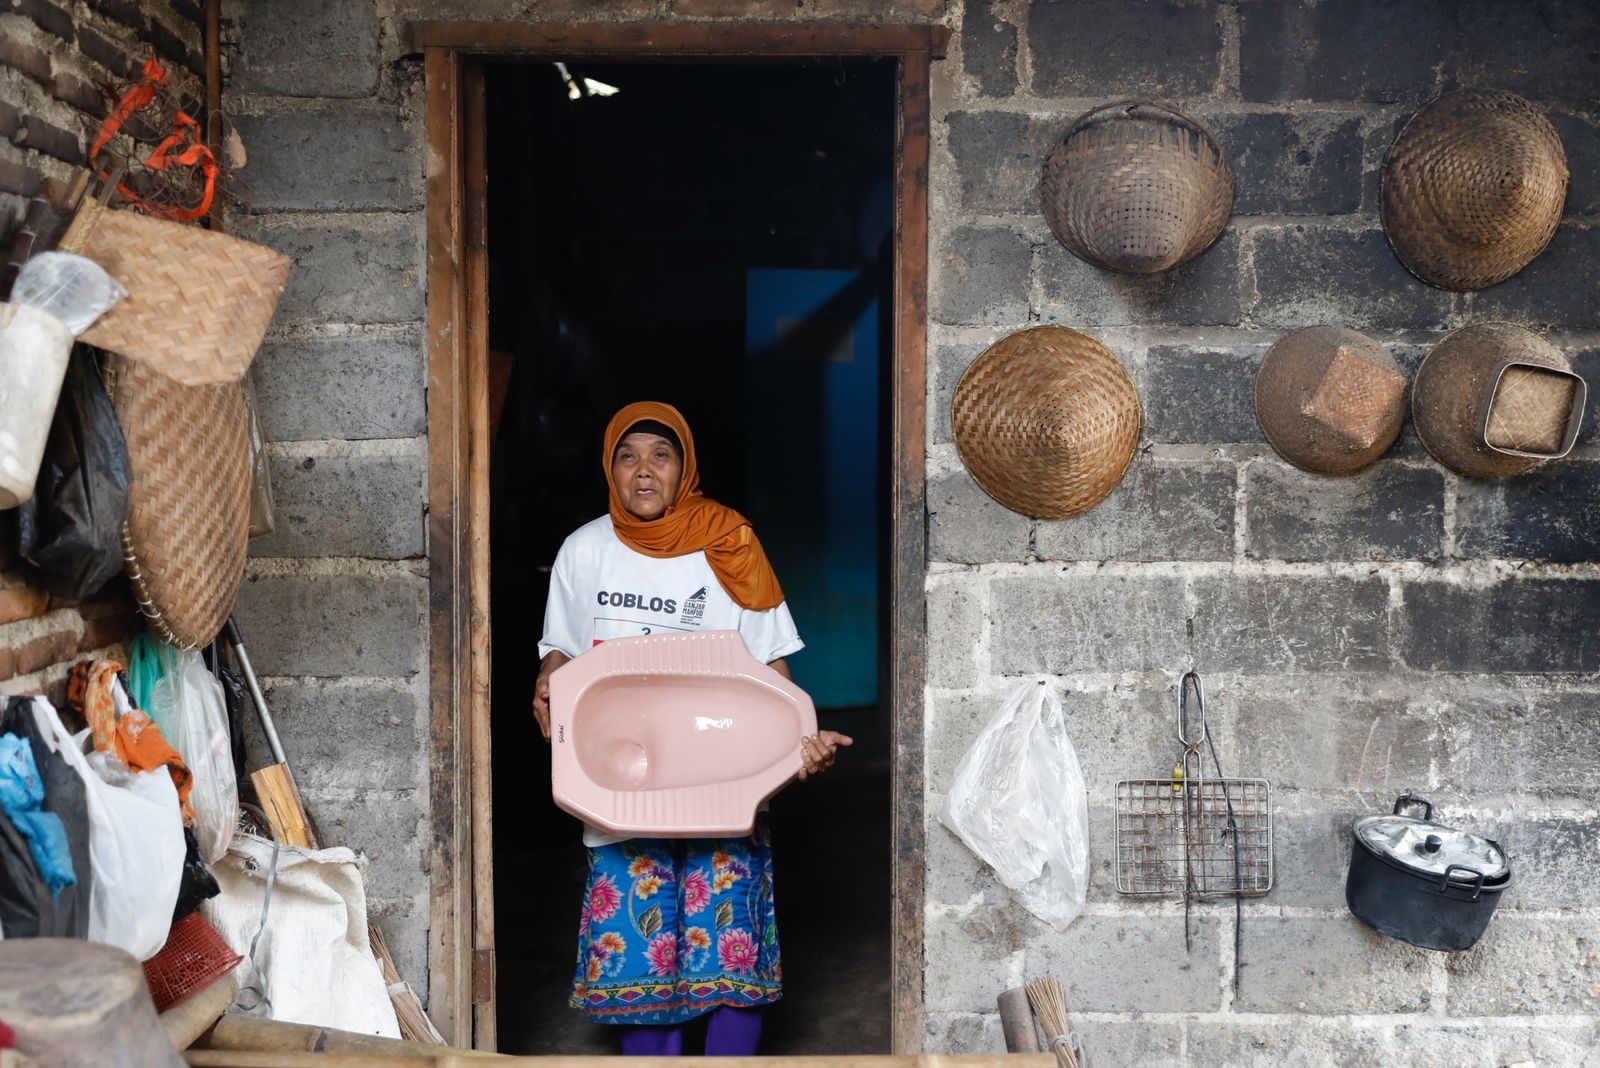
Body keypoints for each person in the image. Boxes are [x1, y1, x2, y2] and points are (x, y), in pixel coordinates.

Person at [531, 400, 852, 1057]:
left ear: (685, 468)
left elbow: (773, 670)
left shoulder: (729, 543)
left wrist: (801, 741)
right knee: (642, 968)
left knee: (730, 964)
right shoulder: (584, 551)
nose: (643, 470)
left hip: (721, 787)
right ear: (610, 469)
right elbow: (560, 651)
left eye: (661, 455)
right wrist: (547, 680)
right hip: (621, 789)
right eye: (627, 456)